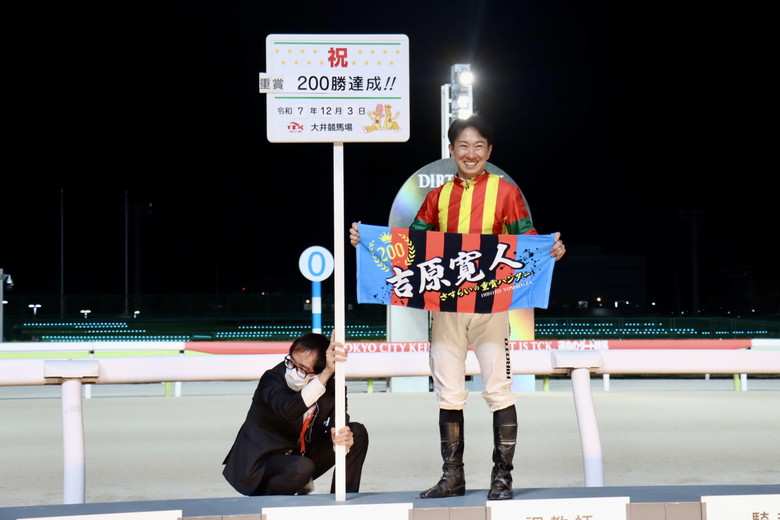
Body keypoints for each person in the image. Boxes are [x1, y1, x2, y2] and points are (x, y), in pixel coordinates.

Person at [349, 114, 565, 500]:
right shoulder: (437, 197)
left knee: (499, 390)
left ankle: (503, 477)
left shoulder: (505, 192)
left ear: (489, 151)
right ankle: (453, 477)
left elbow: (527, 238)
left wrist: (551, 249)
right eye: (463, 146)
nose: (471, 153)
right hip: (446, 307)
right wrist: (367, 242)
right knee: (449, 393)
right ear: (451, 150)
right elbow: (409, 244)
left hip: (491, 307)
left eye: (478, 146)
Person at [222, 333, 369, 496]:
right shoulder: (272, 379)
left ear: (317, 373)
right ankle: (266, 501)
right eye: (291, 361)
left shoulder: (333, 386)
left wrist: (340, 434)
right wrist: (325, 374)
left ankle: (344, 498)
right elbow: (289, 410)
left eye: (302, 369)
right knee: (301, 467)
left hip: (302, 455)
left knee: (356, 433)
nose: (293, 371)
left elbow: (340, 415)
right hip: (261, 464)